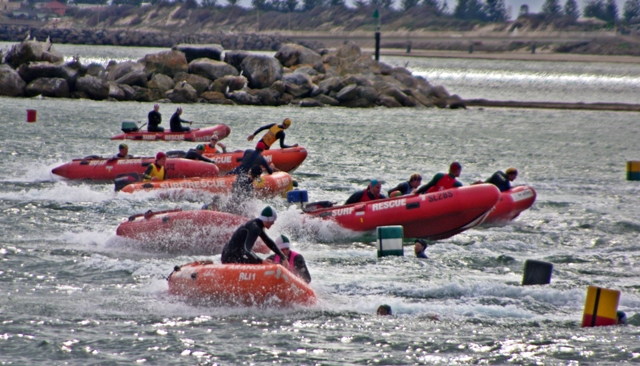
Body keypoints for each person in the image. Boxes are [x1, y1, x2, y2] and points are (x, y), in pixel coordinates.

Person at [220, 206, 289, 267]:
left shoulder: (257, 225)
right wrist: (261, 261)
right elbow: (247, 250)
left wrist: (283, 256)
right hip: (230, 258)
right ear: (268, 219)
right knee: (260, 263)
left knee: (261, 261)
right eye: (273, 221)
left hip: (231, 255)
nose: (273, 223)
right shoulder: (255, 227)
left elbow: (268, 241)